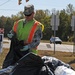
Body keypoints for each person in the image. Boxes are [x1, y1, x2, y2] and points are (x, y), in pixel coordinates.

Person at [2, 4, 44, 68]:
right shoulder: (18, 23)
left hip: (30, 54)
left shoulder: (37, 26)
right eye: (25, 15)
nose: (26, 16)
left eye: (28, 15)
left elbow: (37, 41)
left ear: (33, 13)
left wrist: (28, 46)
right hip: (16, 52)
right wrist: (11, 34)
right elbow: (13, 32)